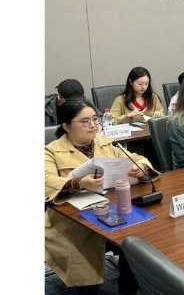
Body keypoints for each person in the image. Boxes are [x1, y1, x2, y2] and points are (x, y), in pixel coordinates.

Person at [45, 98, 159, 294]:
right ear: (66, 126)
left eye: (95, 119)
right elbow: (46, 181)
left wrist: (141, 168)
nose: (93, 125)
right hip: (72, 222)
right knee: (83, 259)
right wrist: (78, 183)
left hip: (112, 209)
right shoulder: (51, 151)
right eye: (85, 121)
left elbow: (137, 158)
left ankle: (127, 287)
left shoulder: (105, 143)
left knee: (137, 240)